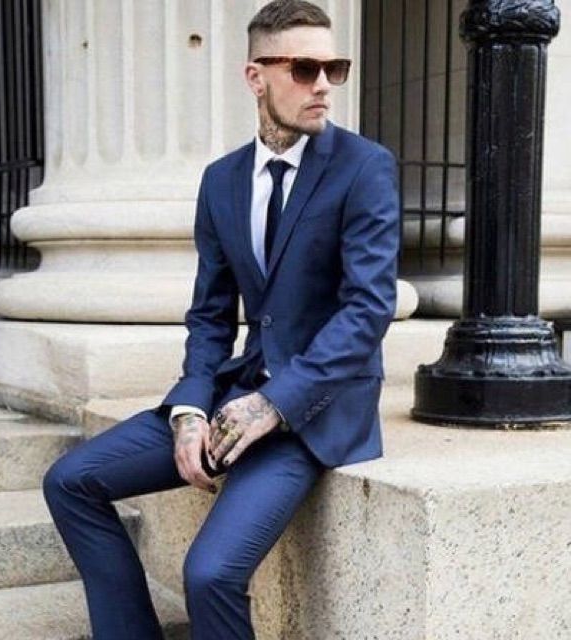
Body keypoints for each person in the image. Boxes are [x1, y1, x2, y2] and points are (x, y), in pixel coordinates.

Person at [42, 1, 400, 638]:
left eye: (334, 68)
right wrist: (189, 409)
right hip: (238, 389)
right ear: (255, 76)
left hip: (312, 410)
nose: (323, 84)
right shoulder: (222, 181)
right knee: (70, 481)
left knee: (209, 573)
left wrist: (274, 404)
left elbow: (368, 308)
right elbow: (210, 316)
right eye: (304, 68)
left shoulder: (363, 167)